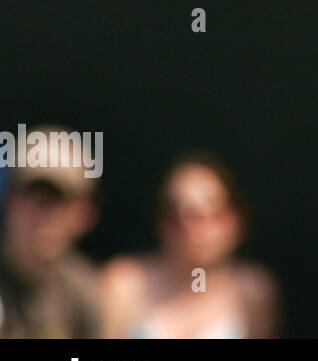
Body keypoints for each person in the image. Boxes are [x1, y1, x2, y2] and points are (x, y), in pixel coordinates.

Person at [99, 152, 278, 338]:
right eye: (177, 215)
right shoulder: (125, 283)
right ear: (161, 222)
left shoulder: (253, 291)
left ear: (235, 221)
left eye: (209, 215)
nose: (193, 230)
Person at [0, 132, 102, 338]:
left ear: (83, 213)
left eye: (56, 201)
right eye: (32, 196)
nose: (42, 216)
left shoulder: (85, 295)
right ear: (9, 201)